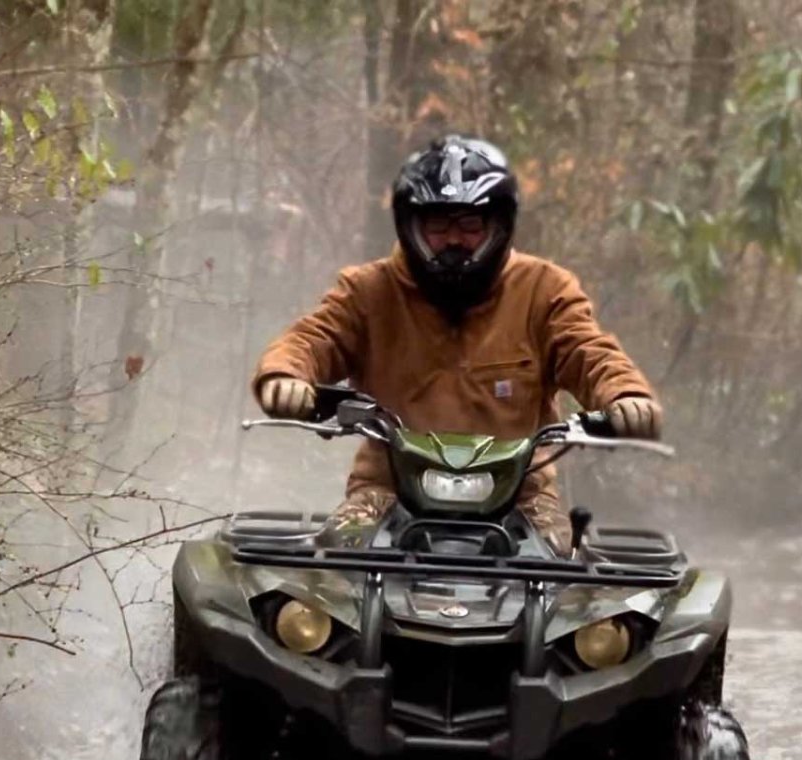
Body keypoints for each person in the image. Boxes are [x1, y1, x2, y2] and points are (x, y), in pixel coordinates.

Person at [251, 135, 661, 555]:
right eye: (438, 226)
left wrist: (624, 395)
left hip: (521, 496)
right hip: (387, 491)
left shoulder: (544, 290)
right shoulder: (369, 291)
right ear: (412, 228)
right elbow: (313, 338)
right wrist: (286, 376)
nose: (453, 241)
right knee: (338, 561)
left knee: (563, 565)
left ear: (497, 227)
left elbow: (589, 351)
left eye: (469, 226)